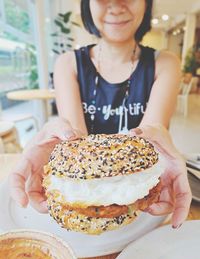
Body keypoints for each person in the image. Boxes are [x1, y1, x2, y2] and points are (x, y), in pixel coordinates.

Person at [8, 0, 191, 229]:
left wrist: (160, 142)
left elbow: (149, 140)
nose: (115, 6)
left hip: (143, 216)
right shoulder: (68, 64)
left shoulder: (165, 63)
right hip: (84, 207)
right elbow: (77, 144)